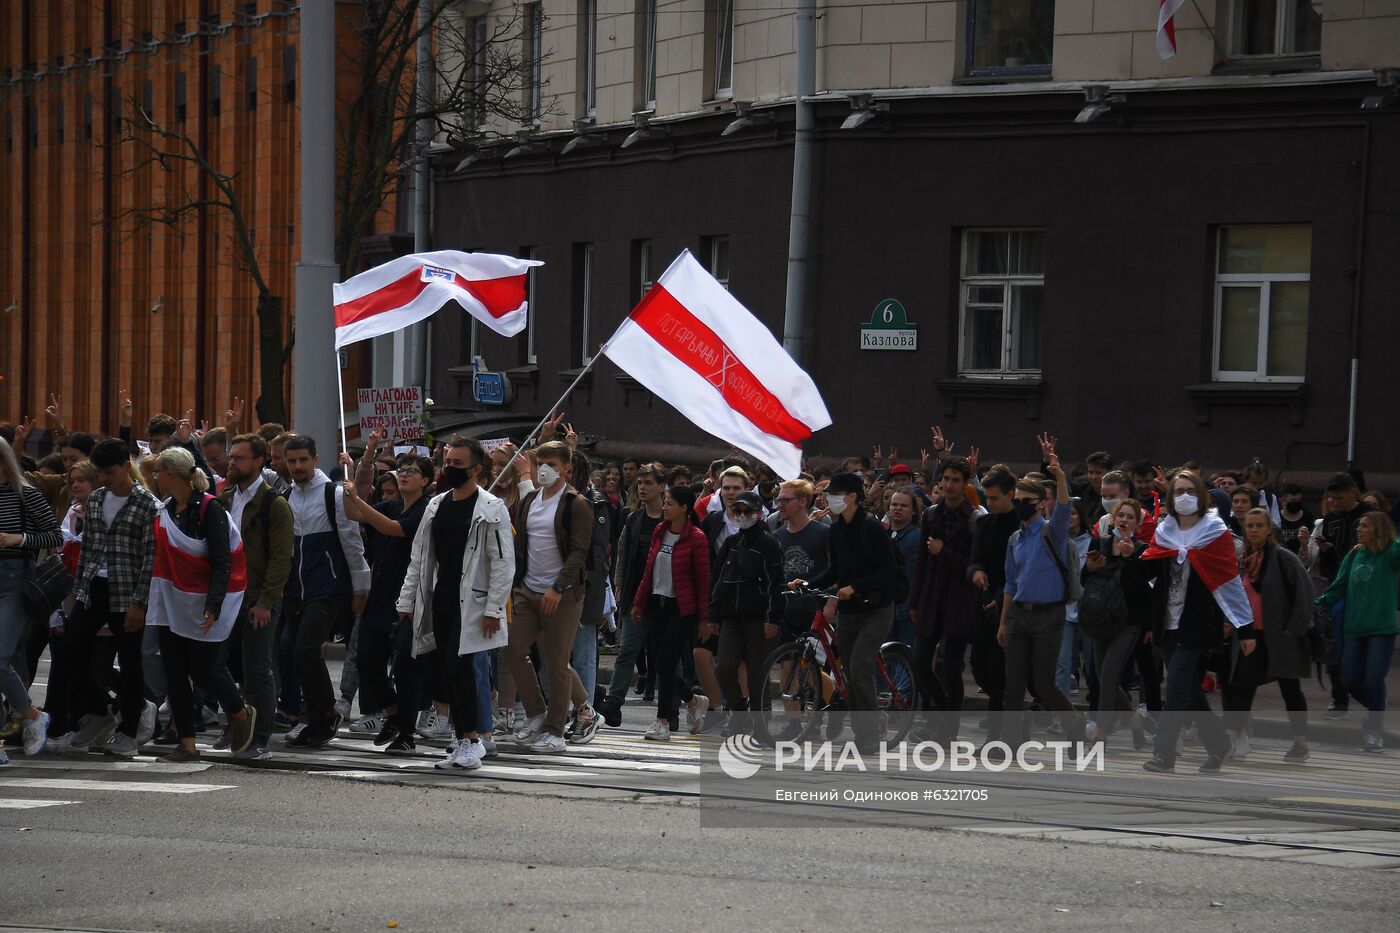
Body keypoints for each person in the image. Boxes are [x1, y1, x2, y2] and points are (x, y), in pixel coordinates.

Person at [397, 437, 515, 770]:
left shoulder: (492, 508)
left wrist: (494, 608)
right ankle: (464, 740)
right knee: (447, 670)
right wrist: (407, 600)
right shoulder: (436, 504)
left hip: (473, 604)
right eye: (447, 462)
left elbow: (503, 563)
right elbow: (419, 557)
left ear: (477, 470)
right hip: (440, 599)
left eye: (458, 465)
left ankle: (472, 741)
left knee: (462, 668)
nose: (450, 469)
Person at [1140, 470, 1255, 774]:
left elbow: (1230, 583)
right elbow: (1153, 578)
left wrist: (1244, 628)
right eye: (1178, 491)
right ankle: (1218, 744)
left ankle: (1164, 755)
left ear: (1202, 494)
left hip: (1197, 622)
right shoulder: (1164, 530)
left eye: (1190, 490)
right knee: (1189, 689)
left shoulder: (1215, 531)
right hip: (1167, 621)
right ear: (1170, 497)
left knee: (1176, 686)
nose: (1185, 496)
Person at [146, 446, 256, 762]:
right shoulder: (166, 510)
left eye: (158, 472)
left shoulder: (210, 510)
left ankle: (239, 713)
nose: (156, 478)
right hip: (173, 602)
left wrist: (213, 604)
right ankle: (187, 744)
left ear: (171, 474)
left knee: (204, 669)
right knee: (175, 672)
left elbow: (224, 561)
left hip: (204, 601)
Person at [67, 438, 160, 755]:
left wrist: (140, 602)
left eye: (109, 471)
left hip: (127, 592)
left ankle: (129, 732)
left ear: (125, 466)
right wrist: (80, 591)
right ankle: (100, 712)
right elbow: (88, 548)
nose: (104, 478)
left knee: (131, 663)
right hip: (93, 587)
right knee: (71, 652)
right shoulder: (95, 500)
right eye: (100, 472)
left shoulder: (147, 504)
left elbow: (151, 557)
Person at [505, 441, 598, 754]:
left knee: (557, 664)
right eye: (540, 461)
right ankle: (536, 713)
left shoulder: (578, 503)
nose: (544, 468)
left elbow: (579, 552)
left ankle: (555, 731)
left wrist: (558, 588)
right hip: (527, 590)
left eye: (552, 464)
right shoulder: (530, 499)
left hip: (564, 595)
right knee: (513, 649)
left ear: (566, 469)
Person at [281, 434, 371, 748]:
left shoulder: (333, 494)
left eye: (303, 459)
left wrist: (360, 587)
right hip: (295, 590)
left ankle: (326, 713)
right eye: (292, 461)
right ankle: (316, 718)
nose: (297, 466)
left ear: (315, 459)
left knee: (306, 649)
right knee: (298, 654)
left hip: (328, 587)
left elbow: (352, 542)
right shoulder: (286, 496)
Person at [339, 452, 433, 753]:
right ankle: (392, 714)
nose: (404, 475)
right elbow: (352, 514)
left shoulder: (425, 511)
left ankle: (406, 733)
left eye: (412, 471)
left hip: (409, 600)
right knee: (366, 659)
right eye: (402, 470)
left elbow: (393, 528)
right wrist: (352, 481)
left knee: (407, 668)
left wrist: (358, 498)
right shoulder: (391, 504)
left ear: (426, 481)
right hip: (380, 597)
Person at [797, 472, 897, 754]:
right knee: (848, 673)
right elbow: (834, 571)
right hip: (850, 612)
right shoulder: (836, 530)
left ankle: (868, 736)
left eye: (834, 494)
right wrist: (808, 583)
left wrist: (855, 587)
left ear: (852, 497)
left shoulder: (873, 529)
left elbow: (887, 571)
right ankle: (864, 726)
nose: (829, 500)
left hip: (877, 609)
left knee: (860, 666)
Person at [996, 439, 1084, 755]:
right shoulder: (1014, 539)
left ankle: (1075, 727)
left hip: (1049, 616)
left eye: (1026, 499)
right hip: (1020, 615)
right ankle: (1010, 741)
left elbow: (1063, 506)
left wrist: (1059, 474)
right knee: (1013, 683)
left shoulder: (1052, 532)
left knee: (1044, 684)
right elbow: (1010, 582)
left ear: (1039, 503)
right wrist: (1003, 623)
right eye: (1016, 499)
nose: (1020, 504)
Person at [215, 434, 294, 760]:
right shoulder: (226, 499)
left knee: (258, 669)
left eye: (240, 458)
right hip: (226, 597)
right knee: (213, 663)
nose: (232, 463)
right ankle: (237, 719)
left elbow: (280, 558)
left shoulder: (274, 504)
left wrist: (264, 602)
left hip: (257, 597)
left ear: (259, 461)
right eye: (232, 457)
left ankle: (259, 737)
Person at [1221, 508, 1315, 762]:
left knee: (1290, 689)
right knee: (1242, 684)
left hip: (1282, 636)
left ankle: (1300, 743)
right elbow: (1238, 596)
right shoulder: (1245, 559)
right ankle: (1229, 738)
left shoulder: (1283, 558)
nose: (1253, 530)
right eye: (1249, 526)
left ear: (1269, 529)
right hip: (1252, 635)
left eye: (1259, 525)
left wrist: (1292, 629)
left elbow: (1305, 594)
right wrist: (1232, 622)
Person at [632, 484, 711, 742]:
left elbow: (703, 581)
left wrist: (703, 618)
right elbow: (648, 572)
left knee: (666, 660)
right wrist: (639, 602)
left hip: (683, 608)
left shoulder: (697, 538)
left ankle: (662, 721)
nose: (664, 507)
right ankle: (693, 700)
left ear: (684, 508)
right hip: (658, 603)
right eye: (664, 503)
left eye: (669, 503)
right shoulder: (660, 531)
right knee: (660, 663)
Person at [0, 436, 63, 761]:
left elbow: (55, 535)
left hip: (14, 577)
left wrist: (17, 538)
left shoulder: (25, 493)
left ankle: (31, 715)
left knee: (2, 658)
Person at [1318, 512, 1400, 753]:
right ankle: (1377, 706)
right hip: (1354, 627)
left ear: (1379, 528)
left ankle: (1373, 731)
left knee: (1373, 679)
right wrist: (1317, 604)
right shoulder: (1354, 554)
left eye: (1365, 526)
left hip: (1381, 629)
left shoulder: (1391, 553)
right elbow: (1338, 586)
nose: (1359, 529)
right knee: (1349, 678)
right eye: (1359, 526)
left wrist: (1390, 539)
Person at [909, 458, 980, 739]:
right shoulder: (930, 515)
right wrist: (915, 600)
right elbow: (923, 563)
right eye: (945, 480)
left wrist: (944, 552)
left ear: (965, 484)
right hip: (932, 596)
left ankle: (948, 728)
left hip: (959, 600)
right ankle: (943, 712)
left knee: (951, 667)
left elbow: (973, 563)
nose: (949, 485)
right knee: (920, 662)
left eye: (955, 480)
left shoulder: (974, 519)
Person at [710, 490, 784, 737]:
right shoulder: (732, 543)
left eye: (747, 511)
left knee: (757, 674)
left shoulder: (768, 543)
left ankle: (760, 724)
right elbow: (719, 580)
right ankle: (739, 714)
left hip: (758, 618)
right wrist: (713, 614)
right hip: (731, 617)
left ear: (759, 513)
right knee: (724, 667)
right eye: (738, 511)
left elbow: (776, 583)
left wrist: (772, 618)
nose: (742, 516)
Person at [1082, 500, 1155, 749]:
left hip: (1128, 622)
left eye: (1130, 517)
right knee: (1104, 678)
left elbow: (1141, 588)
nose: (1124, 520)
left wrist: (1130, 557)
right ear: (1113, 518)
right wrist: (1089, 568)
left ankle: (1101, 733)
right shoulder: (1099, 544)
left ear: (1137, 524)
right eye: (1120, 515)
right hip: (1101, 619)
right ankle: (1135, 723)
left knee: (1110, 672)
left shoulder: (1142, 549)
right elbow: (1087, 581)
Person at [601, 462, 668, 727]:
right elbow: (623, 554)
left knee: (665, 657)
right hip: (635, 597)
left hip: (664, 598)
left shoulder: (671, 518)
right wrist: (619, 585)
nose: (642, 487)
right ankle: (613, 703)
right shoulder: (634, 518)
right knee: (627, 651)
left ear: (661, 487)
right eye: (640, 483)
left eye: (648, 483)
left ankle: (678, 704)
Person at [1314, 471, 1375, 718]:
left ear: (1353, 492)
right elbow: (1328, 562)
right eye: (1331, 498)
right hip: (1338, 588)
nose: (1334, 503)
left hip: (1366, 591)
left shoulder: (1370, 517)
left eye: (1339, 497)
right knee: (1334, 645)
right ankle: (1340, 697)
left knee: (1363, 646)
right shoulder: (1331, 519)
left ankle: (1368, 694)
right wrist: (1327, 551)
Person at [967, 467, 1018, 739]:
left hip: (1008, 603)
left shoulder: (1019, 525)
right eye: (987, 497)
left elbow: (1019, 569)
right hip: (983, 601)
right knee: (979, 666)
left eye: (995, 498)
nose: (990, 503)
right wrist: (975, 570)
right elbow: (973, 558)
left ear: (1011, 494)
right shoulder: (984, 524)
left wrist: (999, 597)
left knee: (999, 673)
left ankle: (996, 734)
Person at [1277, 483, 1315, 555]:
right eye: (1293, 500)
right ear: (1282, 501)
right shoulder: (1276, 517)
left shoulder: (1309, 517)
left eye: (1299, 500)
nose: (1297, 502)